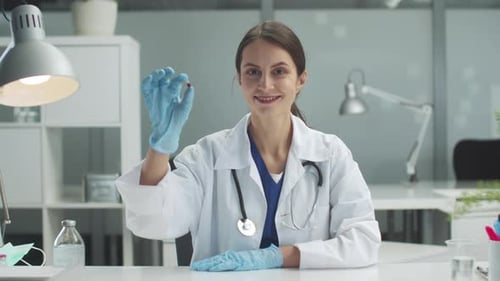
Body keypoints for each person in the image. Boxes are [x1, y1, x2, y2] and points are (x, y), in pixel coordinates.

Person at [116, 20, 381, 271]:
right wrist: (160, 146)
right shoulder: (207, 156)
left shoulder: (330, 155)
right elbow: (155, 222)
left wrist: (278, 256)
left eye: (279, 71)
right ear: (240, 79)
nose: (265, 84)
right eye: (253, 72)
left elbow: (363, 241)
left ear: (301, 79)